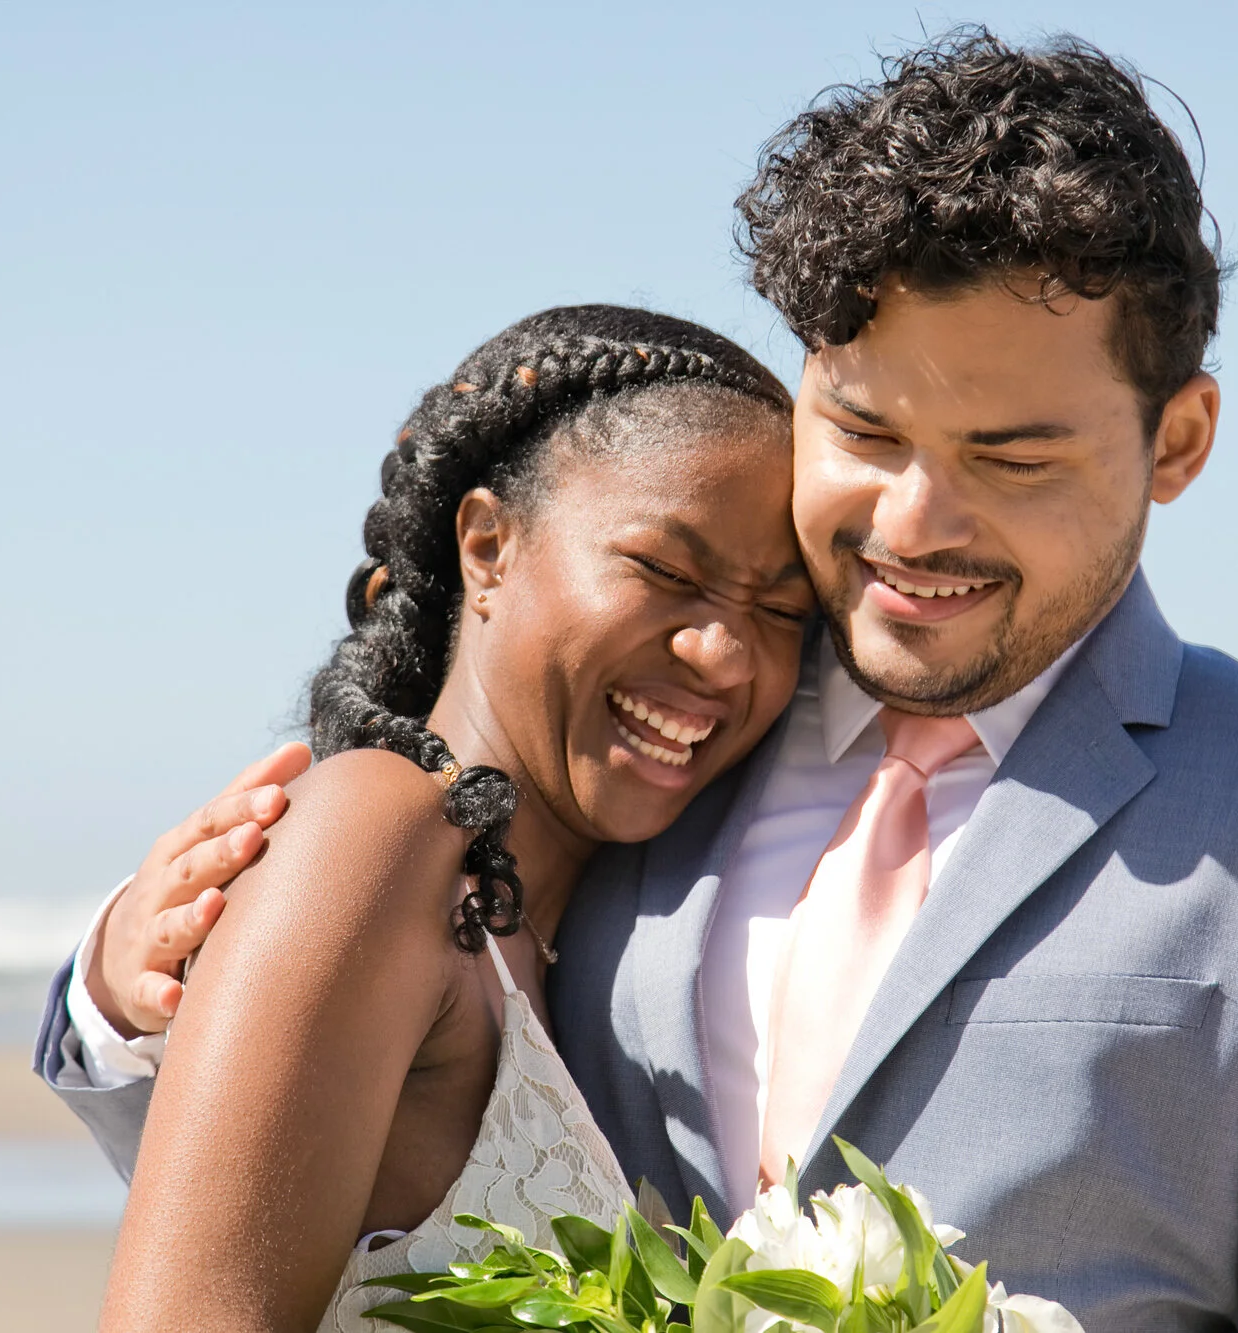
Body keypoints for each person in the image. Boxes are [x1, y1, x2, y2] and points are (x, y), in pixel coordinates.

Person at [38, 31, 1238, 1332]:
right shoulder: (652, 752)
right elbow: (361, 1139)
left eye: (1013, 455)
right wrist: (126, 988)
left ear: (1177, 441)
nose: (914, 522)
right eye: (865, 430)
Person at [87, 303, 816, 1331]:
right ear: (487, 546)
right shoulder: (374, 834)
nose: (724, 654)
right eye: (665, 572)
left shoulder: (598, 925)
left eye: (781, 613)